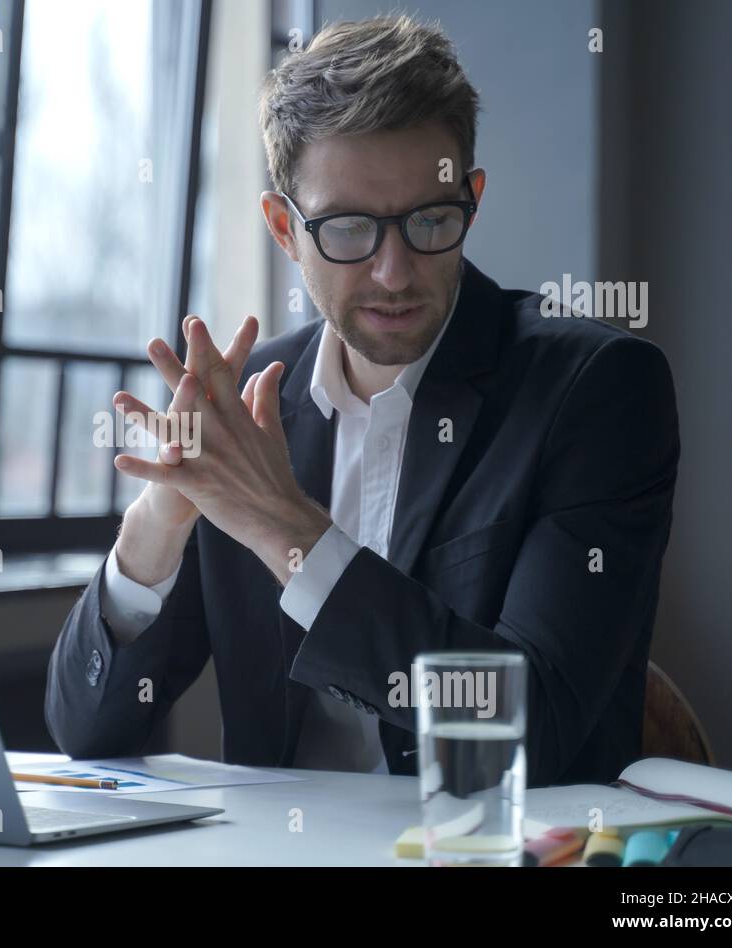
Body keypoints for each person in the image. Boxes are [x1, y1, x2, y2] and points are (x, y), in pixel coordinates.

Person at [44, 14, 679, 787]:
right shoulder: (245, 412)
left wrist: (286, 528)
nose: (393, 272)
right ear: (285, 228)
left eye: (430, 221)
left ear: (471, 203)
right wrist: (153, 531)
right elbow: (86, 732)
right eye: (348, 229)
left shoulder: (596, 391)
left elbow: (529, 730)